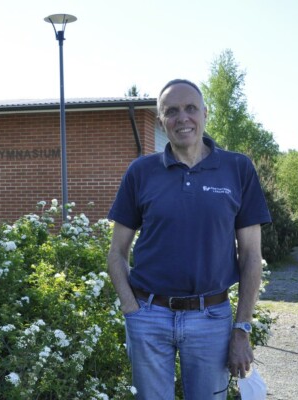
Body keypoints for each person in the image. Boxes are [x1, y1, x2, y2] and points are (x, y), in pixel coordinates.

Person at [107, 78, 271, 400]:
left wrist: (242, 328)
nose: (182, 118)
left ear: (205, 114)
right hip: (149, 317)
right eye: (172, 111)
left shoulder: (237, 169)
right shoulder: (141, 172)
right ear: (161, 120)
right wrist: (132, 311)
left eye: (190, 108)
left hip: (211, 318)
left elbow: (251, 255)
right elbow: (116, 253)